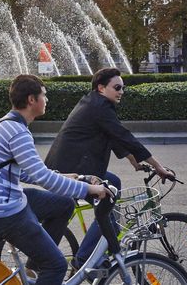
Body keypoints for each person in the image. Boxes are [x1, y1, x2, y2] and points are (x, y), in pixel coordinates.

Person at [0, 75, 110, 284]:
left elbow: (24, 173)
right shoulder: (17, 131)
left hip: (1, 203)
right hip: (4, 212)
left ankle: (33, 268)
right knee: (56, 266)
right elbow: (43, 179)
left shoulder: (7, 124)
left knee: (64, 204)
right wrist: (88, 190)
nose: (46, 100)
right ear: (32, 100)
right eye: (44, 95)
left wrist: (63, 176)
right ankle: (44, 266)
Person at [44, 67, 174, 269]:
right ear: (101, 88)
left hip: (69, 164)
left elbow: (113, 136)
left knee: (113, 186)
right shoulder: (100, 107)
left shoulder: (95, 102)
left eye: (123, 87)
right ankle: (84, 258)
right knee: (109, 199)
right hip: (71, 168)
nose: (121, 91)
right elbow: (124, 136)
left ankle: (89, 251)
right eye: (117, 87)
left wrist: (133, 160)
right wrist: (158, 167)